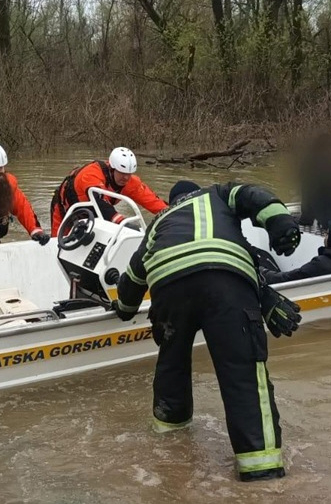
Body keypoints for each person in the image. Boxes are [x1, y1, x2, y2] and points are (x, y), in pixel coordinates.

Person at [111, 180, 304, 482]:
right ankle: (261, 472)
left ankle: (170, 446)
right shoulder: (217, 194)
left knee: (171, 368)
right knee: (242, 375)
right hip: (223, 284)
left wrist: (122, 309)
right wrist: (280, 223)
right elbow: (253, 195)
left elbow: (134, 276)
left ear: (172, 202)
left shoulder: (158, 223)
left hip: (168, 292)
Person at [49, 147, 167, 235]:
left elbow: (152, 201)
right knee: (57, 244)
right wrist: (123, 223)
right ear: (112, 168)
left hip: (94, 213)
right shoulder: (91, 174)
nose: (125, 178)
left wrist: (173, 212)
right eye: (122, 173)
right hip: (65, 209)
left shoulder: (130, 182)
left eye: (129, 174)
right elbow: (100, 202)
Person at [263, 219, 331, 284]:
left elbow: (288, 279)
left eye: (327, 234)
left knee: (261, 256)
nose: (324, 237)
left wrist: (262, 273)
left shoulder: (321, 264)